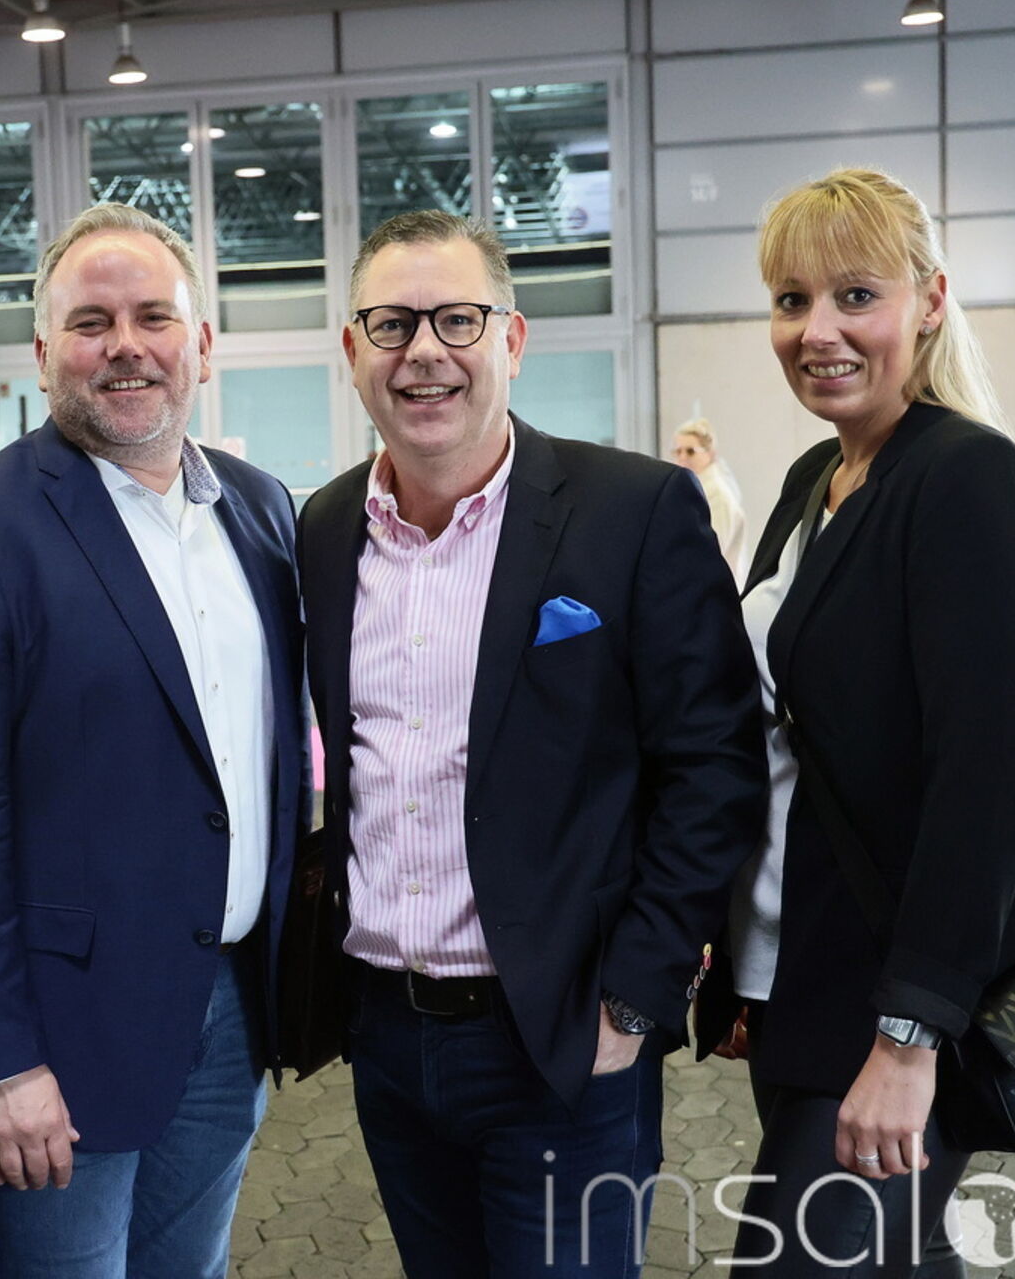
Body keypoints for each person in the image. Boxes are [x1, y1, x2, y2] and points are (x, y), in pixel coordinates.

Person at [297, 210, 767, 1277]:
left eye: (457, 320)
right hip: (388, 1037)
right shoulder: (323, 530)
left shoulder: (632, 511)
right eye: (391, 323)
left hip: (562, 1037)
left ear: (511, 339)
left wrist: (636, 996)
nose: (424, 351)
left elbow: (714, 766)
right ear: (354, 351)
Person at [0, 203, 306, 1279]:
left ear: (202, 343)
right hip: (56, 1043)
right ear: (42, 351)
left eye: (155, 317)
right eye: (91, 322)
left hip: (231, 1011)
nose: (126, 346)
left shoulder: (261, 511)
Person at [695, 168, 1015, 1277]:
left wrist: (909, 1041)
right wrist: (740, 955)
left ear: (930, 300)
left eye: (857, 295)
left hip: (896, 1005)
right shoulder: (817, 476)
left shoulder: (967, 478)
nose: (819, 331)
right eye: (792, 300)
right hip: (799, 982)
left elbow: (981, 787)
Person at [670, 417, 747, 577]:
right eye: (678, 451)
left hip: (714, 585)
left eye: (690, 451)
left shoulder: (717, 494)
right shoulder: (690, 489)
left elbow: (712, 551)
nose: (682, 457)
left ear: (710, 454)